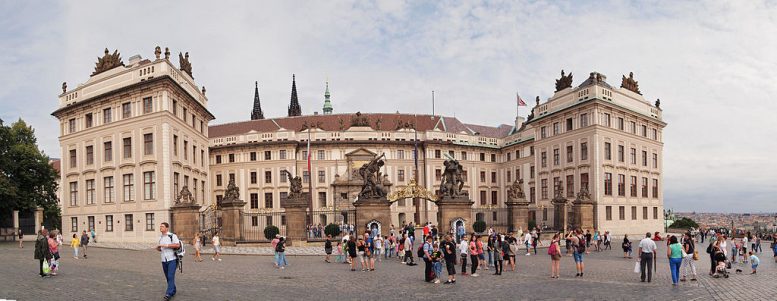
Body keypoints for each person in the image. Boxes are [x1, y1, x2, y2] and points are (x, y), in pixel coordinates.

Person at [156, 222, 180, 301]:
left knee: (170, 276)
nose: (160, 228)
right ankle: (173, 289)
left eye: (162, 226)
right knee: (168, 277)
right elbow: (161, 249)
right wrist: (159, 248)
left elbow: (177, 245)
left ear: (167, 228)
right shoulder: (160, 238)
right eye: (160, 226)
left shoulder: (172, 236)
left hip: (172, 259)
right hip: (163, 260)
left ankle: (168, 294)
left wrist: (165, 245)